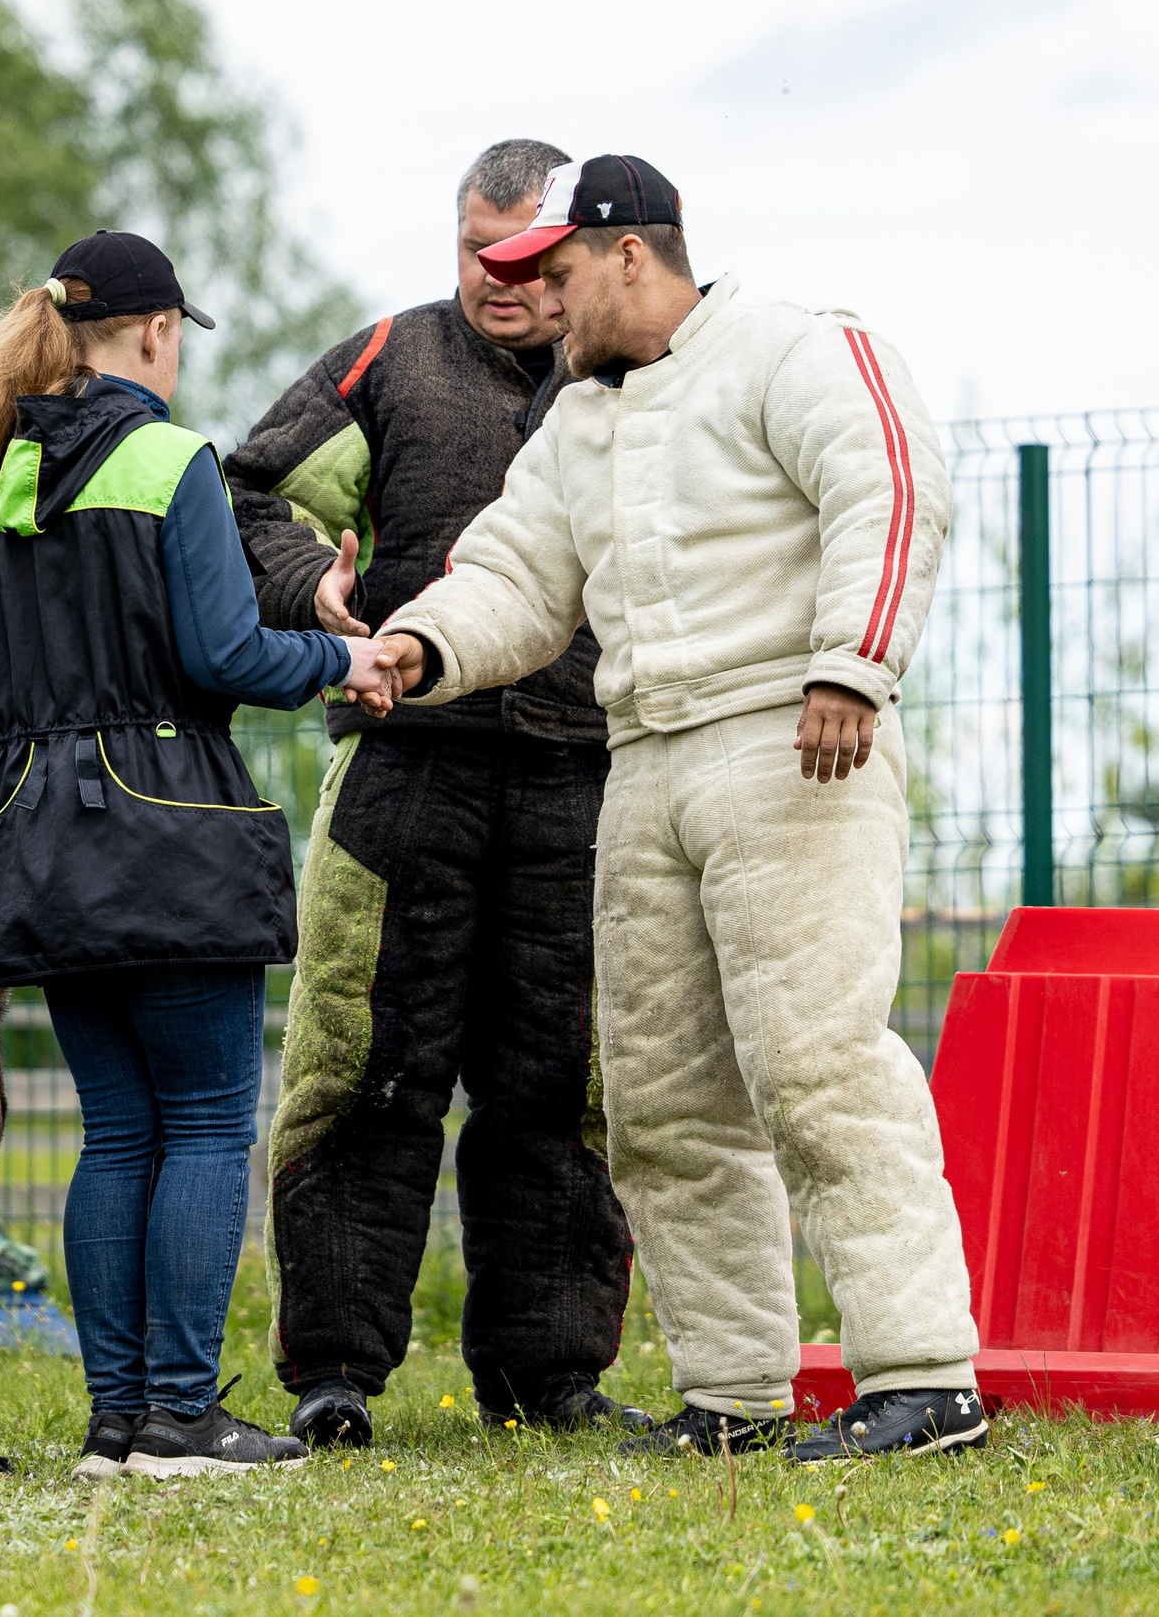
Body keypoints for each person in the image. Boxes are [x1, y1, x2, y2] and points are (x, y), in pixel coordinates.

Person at [362, 156, 987, 1462]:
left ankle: (925, 1372)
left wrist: (850, 665)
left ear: (629, 254)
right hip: (642, 760)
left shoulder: (794, 349)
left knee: (818, 1063)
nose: (529, 294)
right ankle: (735, 1391)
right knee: (663, 1098)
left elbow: (890, 484)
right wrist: (418, 645)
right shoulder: (576, 425)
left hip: (796, 736)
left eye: (553, 272)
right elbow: (519, 579)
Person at [0, 228, 396, 1480]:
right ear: (158, 333)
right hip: (168, 830)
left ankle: (116, 1419)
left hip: (31, 846)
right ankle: (178, 1411)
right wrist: (345, 657)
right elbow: (225, 655)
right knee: (209, 1122)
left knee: (116, 1132)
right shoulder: (171, 460)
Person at [224, 141, 647, 1448]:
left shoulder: (630, 381)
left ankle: (552, 1375)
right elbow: (249, 499)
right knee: (363, 1079)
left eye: (523, 254)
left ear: (571, 251)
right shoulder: (387, 364)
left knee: (563, 1092)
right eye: (474, 246)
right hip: (405, 775)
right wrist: (317, 591)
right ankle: (334, 1373)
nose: (496, 277)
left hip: (584, 778)